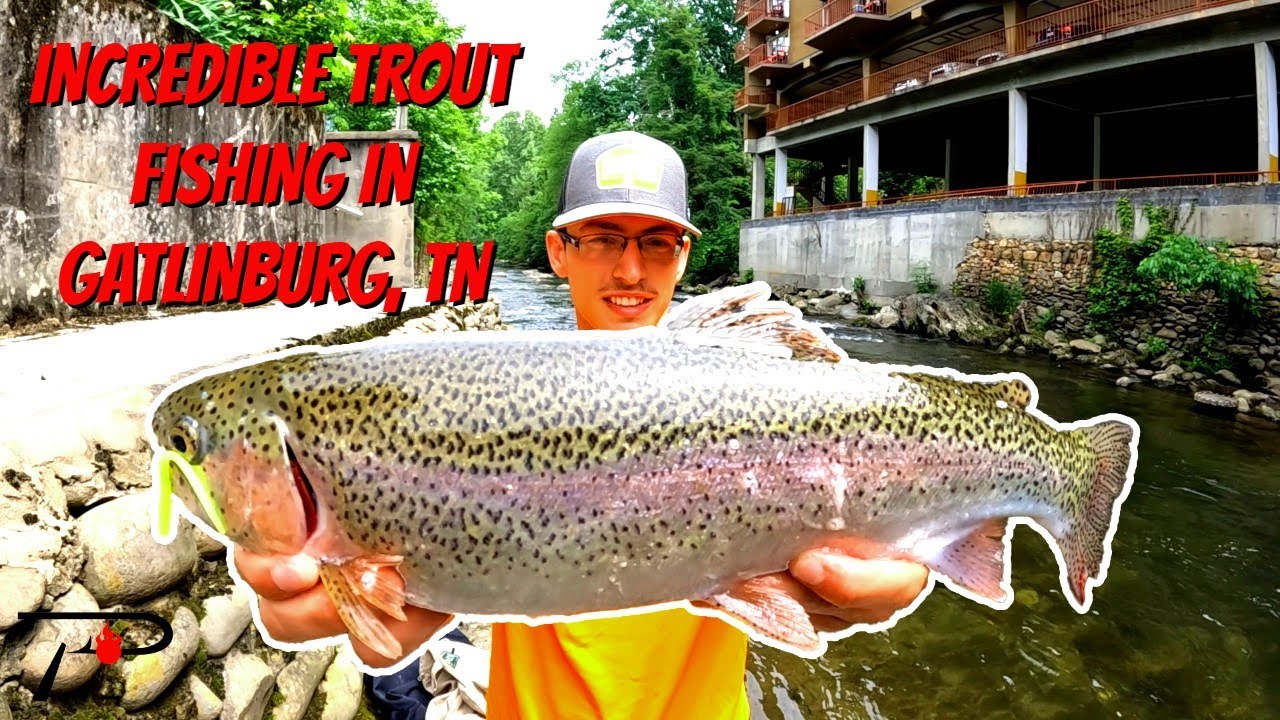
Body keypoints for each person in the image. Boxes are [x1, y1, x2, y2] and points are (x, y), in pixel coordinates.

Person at [234, 131, 929, 719]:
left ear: (685, 255)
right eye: (602, 239)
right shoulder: (488, 401)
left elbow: (879, 524)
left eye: (657, 243)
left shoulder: (752, 392)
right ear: (557, 251)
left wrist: (919, 546)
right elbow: (407, 573)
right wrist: (381, 587)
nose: (631, 268)